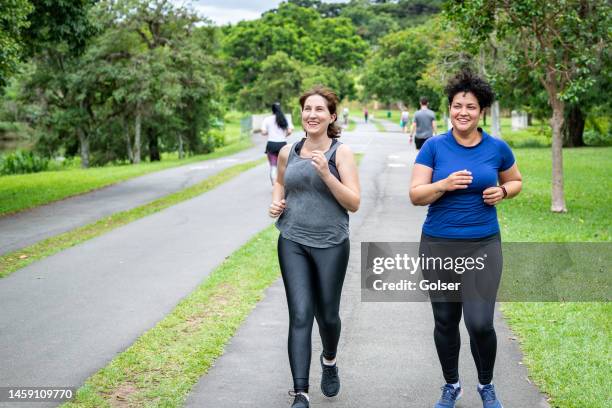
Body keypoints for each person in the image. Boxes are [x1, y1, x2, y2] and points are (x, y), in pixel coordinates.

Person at [409, 70, 522, 408]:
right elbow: (416, 195)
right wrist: (443, 185)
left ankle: (486, 385)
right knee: (445, 321)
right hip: (438, 243)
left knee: (479, 323)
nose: (463, 112)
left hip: (483, 244)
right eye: (457, 106)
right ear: (449, 109)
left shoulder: (497, 148)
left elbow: (516, 181)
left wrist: (503, 191)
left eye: (470, 107)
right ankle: (451, 384)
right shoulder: (433, 147)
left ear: (481, 111)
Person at [269, 86, 360, 408]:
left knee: (328, 316)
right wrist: (277, 202)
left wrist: (326, 173)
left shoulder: (341, 153)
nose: (312, 114)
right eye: (307, 108)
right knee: (301, 315)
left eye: (319, 109)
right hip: (292, 239)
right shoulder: (288, 151)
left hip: (331, 243)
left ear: (331, 116)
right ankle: (301, 393)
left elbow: (354, 202)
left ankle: (330, 360)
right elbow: (280, 181)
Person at [261, 103, 294, 185]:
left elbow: (263, 132)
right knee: (284, 165)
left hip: (271, 145)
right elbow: (290, 131)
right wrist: (284, 135)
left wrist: (269, 133)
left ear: (272, 110)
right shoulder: (285, 118)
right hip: (282, 144)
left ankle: (275, 184)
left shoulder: (267, 119)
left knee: (273, 165)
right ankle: (284, 184)